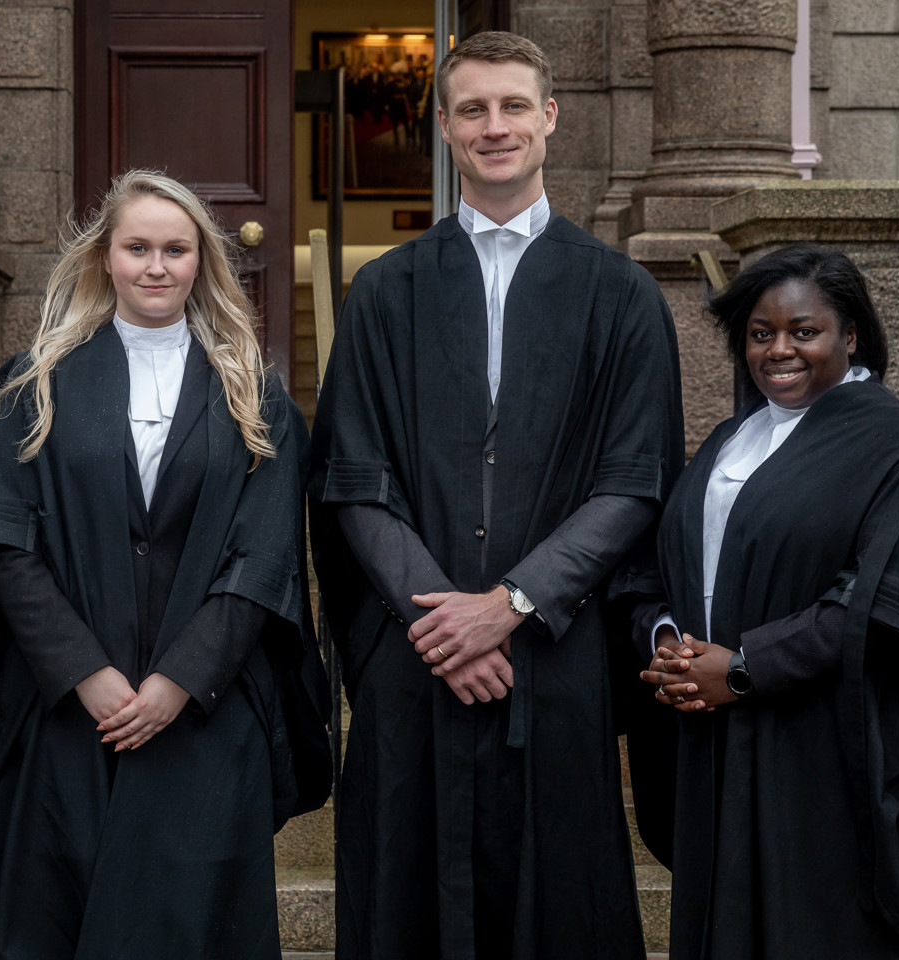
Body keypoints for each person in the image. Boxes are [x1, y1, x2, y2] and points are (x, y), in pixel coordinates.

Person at [309, 29, 684, 960]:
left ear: (550, 118)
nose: (495, 125)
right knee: (406, 903)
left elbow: (635, 482)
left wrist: (511, 605)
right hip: (415, 657)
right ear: (443, 126)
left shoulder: (621, 294)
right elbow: (354, 477)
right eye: (472, 108)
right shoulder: (384, 292)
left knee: (556, 909)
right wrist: (444, 621)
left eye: (514, 105)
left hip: (551, 663)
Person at [0, 169, 329, 959]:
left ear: (203, 262)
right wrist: (84, 673)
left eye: (175, 249)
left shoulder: (253, 394)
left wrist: (177, 682)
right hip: (67, 716)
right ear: (105, 258)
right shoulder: (33, 385)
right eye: (137, 248)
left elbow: (262, 558)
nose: (156, 266)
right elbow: (7, 544)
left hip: (203, 715)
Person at [639, 245, 899, 958]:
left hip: (823, 756)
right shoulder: (729, 441)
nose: (779, 350)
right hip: (714, 744)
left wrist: (743, 671)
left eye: (803, 331)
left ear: (850, 335)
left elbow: (886, 602)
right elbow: (662, 568)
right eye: (759, 333)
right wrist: (664, 644)